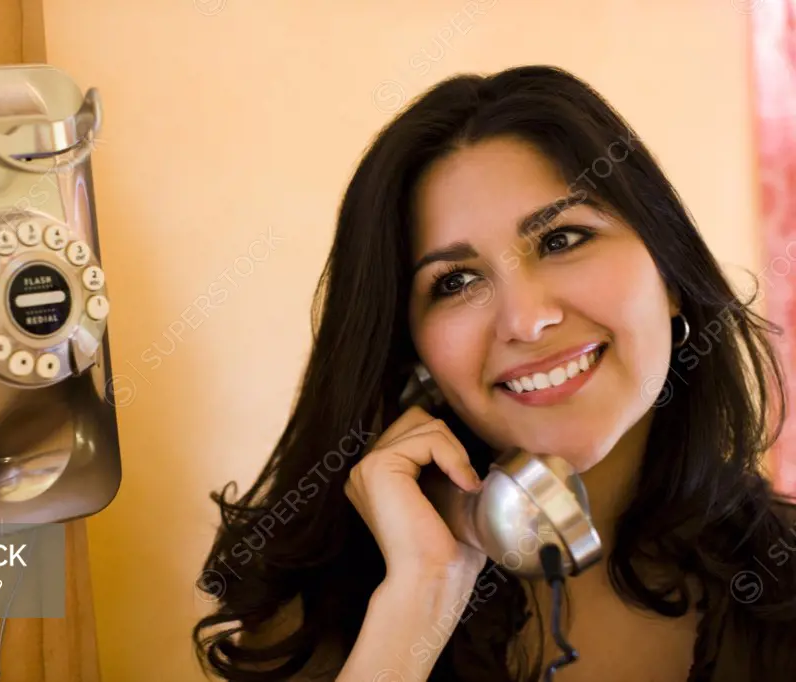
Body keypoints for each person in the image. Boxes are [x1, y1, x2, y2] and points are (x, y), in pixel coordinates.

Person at [192, 65, 796, 681]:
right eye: (456, 282)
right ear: (413, 353)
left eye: (562, 239)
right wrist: (421, 596)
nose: (527, 320)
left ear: (669, 275)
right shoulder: (323, 618)